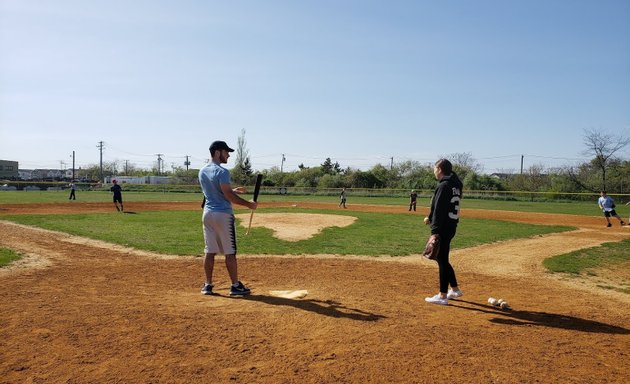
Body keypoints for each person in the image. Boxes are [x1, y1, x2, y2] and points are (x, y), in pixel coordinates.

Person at [199, 140, 257, 296]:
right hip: (223, 215)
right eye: (226, 152)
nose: (228, 155)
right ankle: (235, 286)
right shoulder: (222, 172)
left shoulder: (202, 171)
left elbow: (215, 191)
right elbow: (227, 195)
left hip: (207, 214)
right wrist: (248, 205)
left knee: (209, 251)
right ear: (218, 152)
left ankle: (208, 285)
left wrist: (234, 190)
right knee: (230, 252)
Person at [424, 159, 463, 306]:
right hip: (451, 226)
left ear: (439, 169)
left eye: (435, 167)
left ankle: (442, 295)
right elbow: (441, 207)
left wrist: (434, 232)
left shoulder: (443, 185)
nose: (434, 170)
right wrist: (430, 217)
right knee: (443, 259)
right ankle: (455, 289)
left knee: (442, 260)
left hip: (443, 228)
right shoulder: (454, 185)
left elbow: (439, 209)